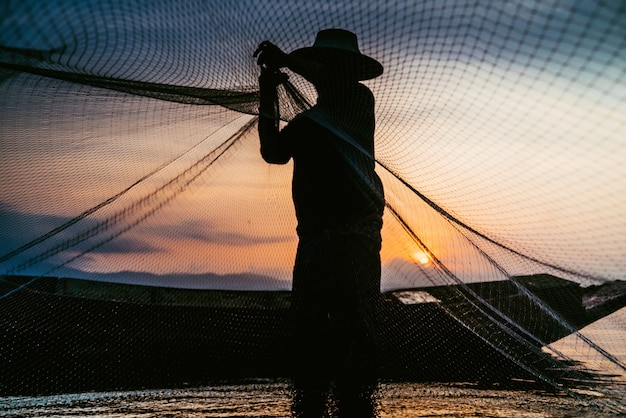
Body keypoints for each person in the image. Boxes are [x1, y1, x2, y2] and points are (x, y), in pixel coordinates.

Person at [254, 28, 385, 417]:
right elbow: (272, 152)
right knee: (309, 332)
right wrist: (268, 90)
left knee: (354, 330)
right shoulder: (309, 124)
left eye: (333, 67)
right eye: (327, 65)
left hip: (356, 240)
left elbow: (336, 87)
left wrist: (288, 62)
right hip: (314, 242)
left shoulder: (359, 102)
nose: (329, 73)